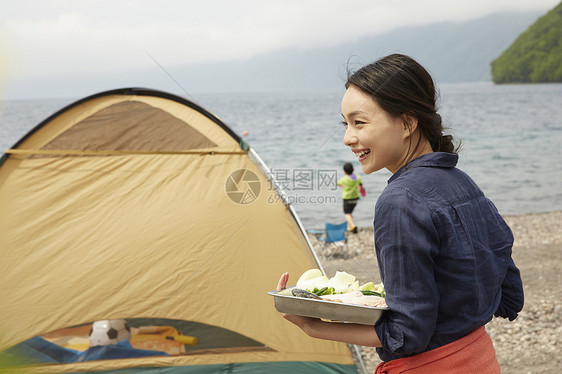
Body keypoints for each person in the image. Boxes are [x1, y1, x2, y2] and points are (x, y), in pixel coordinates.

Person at [275, 54, 524, 373]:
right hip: (481, 360)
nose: (347, 137)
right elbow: (510, 296)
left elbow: (407, 335)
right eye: (345, 123)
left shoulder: (400, 200)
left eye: (359, 122)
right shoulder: (464, 184)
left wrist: (312, 325)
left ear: (407, 123)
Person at [337, 162, 363, 233]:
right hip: (355, 198)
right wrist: (362, 192)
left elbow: (338, 183)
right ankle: (349, 227)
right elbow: (360, 185)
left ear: (344, 171)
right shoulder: (357, 177)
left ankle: (353, 225)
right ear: (353, 169)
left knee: (347, 213)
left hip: (347, 198)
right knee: (350, 212)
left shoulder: (344, 179)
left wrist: (343, 186)